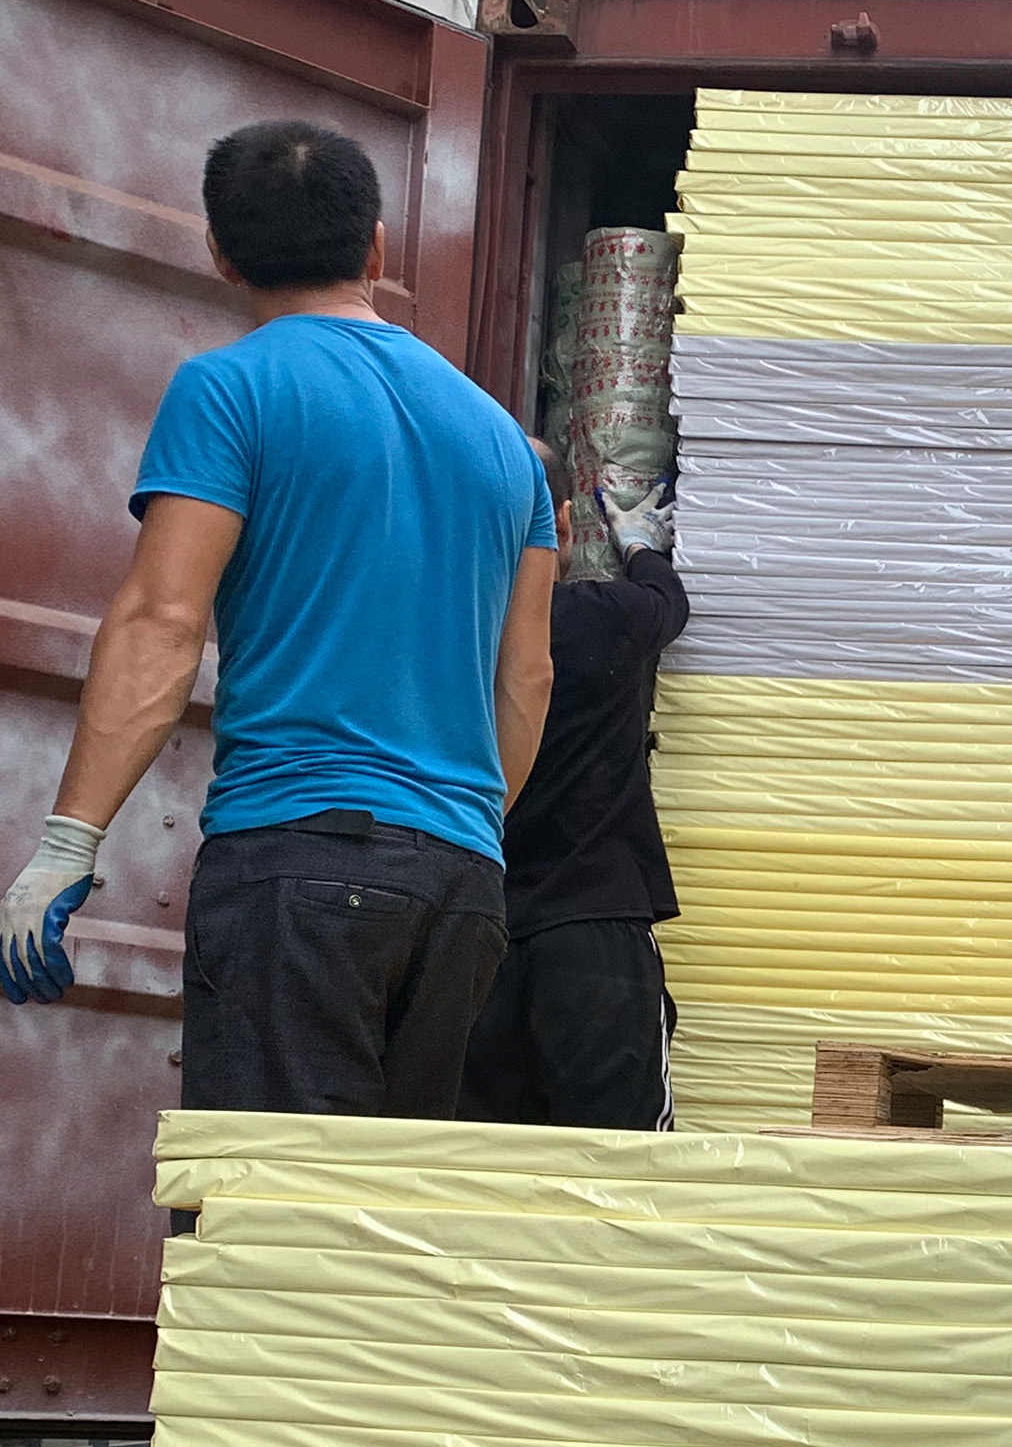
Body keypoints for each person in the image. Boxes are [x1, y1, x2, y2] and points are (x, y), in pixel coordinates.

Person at [0, 121, 556, 1125]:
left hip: (299, 866)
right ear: (376, 246)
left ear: (220, 253)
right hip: (461, 886)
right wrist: (453, 835)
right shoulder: (503, 442)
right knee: (383, 1204)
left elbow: (163, 621)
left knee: (262, 1203)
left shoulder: (230, 389)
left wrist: (66, 847)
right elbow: (527, 680)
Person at [460, 447, 688, 1130]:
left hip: (473, 935)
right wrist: (639, 545)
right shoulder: (604, 617)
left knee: (475, 1158)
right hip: (596, 933)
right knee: (622, 1159)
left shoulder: (448, 637)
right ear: (561, 524)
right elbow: (668, 603)